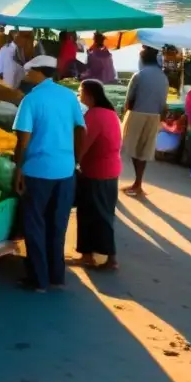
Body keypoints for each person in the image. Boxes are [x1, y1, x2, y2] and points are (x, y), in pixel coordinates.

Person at [12, 56, 86, 292]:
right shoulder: (67, 96)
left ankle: (38, 280)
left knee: (34, 225)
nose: (26, 75)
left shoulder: (31, 99)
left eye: (29, 72)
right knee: (58, 224)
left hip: (38, 171)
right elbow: (80, 129)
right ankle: (56, 277)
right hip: (65, 171)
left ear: (37, 73)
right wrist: (76, 158)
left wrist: (18, 169)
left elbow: (22, 140)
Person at [74, 80, 122, 270]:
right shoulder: (110, 113)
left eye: (80, 92)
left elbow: (82, 145)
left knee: (92, 214)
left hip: (97, 172)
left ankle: (107, 258)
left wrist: (73, 164)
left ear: (90, 95)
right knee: (103, 213)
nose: (79, 95)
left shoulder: (94, 115)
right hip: (111, 170)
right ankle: (92, 255)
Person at [121, 46, 169, 197]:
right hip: (155, 116)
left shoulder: (139, 75)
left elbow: (129, 100)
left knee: (132, 149)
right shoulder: (163, 77)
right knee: (144, 150)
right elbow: (164, 102)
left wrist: (126, 114)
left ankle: (136, 184)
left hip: (137, 114)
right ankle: (138, 183)